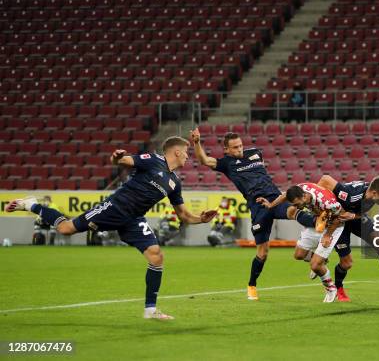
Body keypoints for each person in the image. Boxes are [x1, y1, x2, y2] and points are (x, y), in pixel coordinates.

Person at [5, 137, 217, 320]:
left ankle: (150, 310)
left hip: (134, 219)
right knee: (66, 228)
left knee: (156, 256)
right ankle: (30, 204)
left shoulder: (174, 183)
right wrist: (117, 157)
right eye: (187, 152)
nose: (188, 157)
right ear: (177, 151)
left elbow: (184, 215)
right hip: (115, 208)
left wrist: (201, 219)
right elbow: (122, 160)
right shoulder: (153, 160)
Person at [190, 128, 316, 301]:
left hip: (274, 198)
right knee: (263, 252)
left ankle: (322, 226)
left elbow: (261, 175)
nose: (239, 149)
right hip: (257, 207)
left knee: (294, 210)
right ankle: (252, 285)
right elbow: (204, 160)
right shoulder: (226, 163)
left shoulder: (255, 153)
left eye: (240, 145)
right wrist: (196, 142)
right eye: (234, 147)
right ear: (226, 149)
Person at [316, 175, 379, 301]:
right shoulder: (350, 194)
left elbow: (364, 209)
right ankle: (339, 288)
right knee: (347, 263)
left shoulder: (373, 192)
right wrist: (319, 205)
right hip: (338, 222)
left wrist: (353, 216)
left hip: (354, 218)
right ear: (374, 193)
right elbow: (325, 179)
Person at [258, 182, 351, 302]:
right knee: (299, 255)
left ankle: (330, 288)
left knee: (315, 265)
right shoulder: (299, 190)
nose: (296, 207)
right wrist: (271, 205)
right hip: (320, 220)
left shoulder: (327, 202)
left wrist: (327, 235)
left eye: (297, 204)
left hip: (334, 225)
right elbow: (285, 195)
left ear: (304, 196)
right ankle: (322, 261)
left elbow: (340, 217)